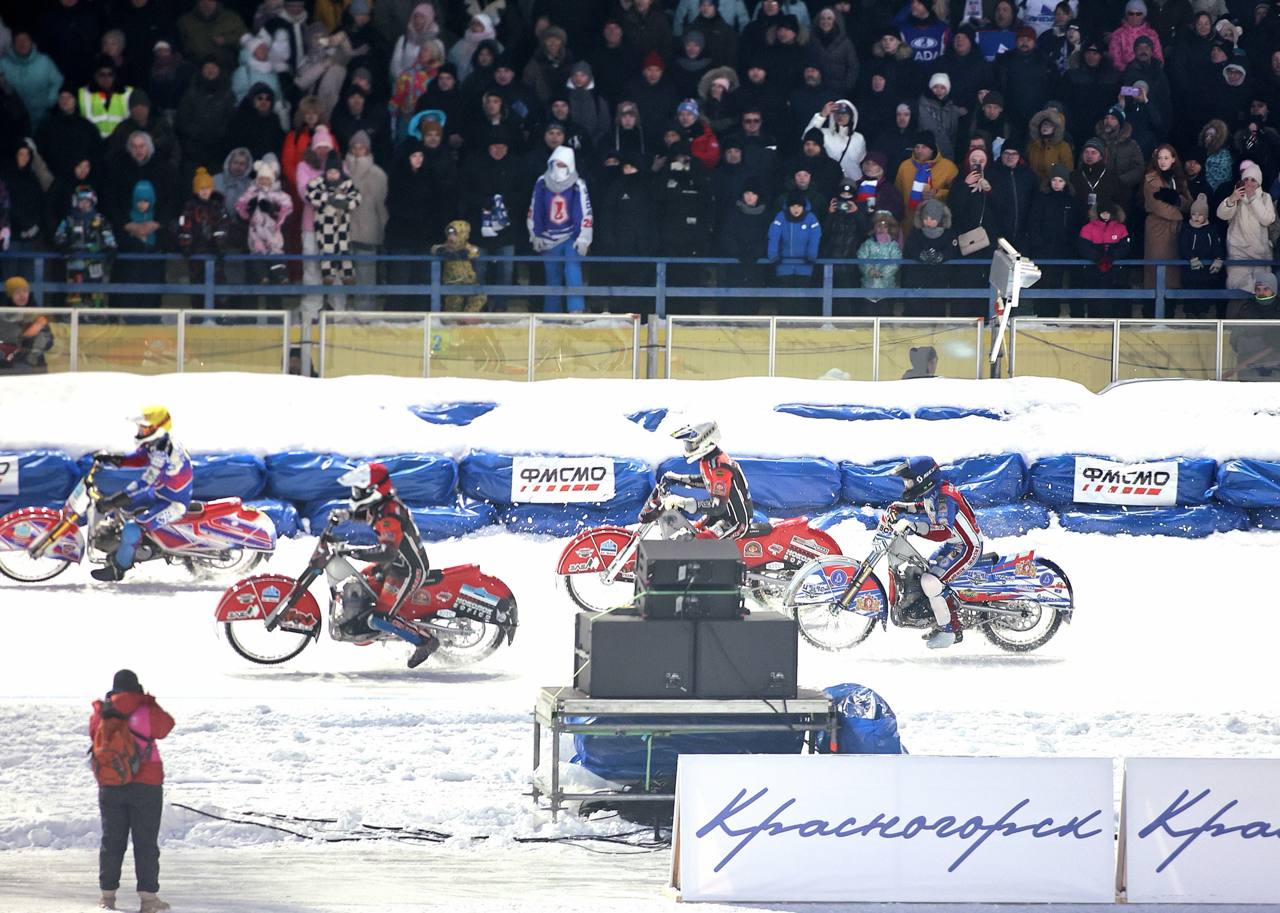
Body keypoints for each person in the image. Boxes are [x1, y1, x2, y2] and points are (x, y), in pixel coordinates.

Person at [333, 462, 439, 668]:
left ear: (372, 490)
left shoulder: (390, 514)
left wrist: (353, 551)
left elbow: (386, 551)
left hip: (407, 570)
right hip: (393, 565)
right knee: (358, 583)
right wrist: (347, 516)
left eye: (359, 490)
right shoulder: (382, 506)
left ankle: (426, 641)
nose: (355, 493)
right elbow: (371, 517)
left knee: (379, 618)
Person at [90, 669, 174, 913]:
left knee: (111, 841)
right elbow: (166, 727)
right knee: (145, 842)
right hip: (146, 785)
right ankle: (148, 899)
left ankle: (107, 898)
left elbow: (93, 736)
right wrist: (148, 701)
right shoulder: (145, 710)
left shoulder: (101, 713)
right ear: (136, 687)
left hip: (110, 784)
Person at [885, 456, 982, 649]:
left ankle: (950, 630)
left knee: (931, 582)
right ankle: (938, 617)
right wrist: (903, 507)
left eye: (909, 481)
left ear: (923, 479)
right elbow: (926, 508)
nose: (907, 485)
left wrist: (915, 527)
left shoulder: (945, 496)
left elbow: (944, 531)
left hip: (967, 547)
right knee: (923, 571)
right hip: (954, 545)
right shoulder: (935, 492)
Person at [89, 407, 192, 582]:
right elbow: (142, 457)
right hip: (161, 493)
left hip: (173, 503)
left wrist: (115, 499)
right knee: (124, 509)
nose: (141, 431)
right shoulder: (158, 443)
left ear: (158, 429)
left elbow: (146, 483)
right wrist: (116, 459)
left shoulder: (163, 453)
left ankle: (119, 568)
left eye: (145, 428)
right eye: (140, 428)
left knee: (132, 528)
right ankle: (123, 545)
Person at [527, 145, 593, 313]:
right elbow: (535, 209)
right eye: (557, 164)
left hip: (571, 236)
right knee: (552, 277)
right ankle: (551, 314)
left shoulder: (578, 184)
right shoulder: (542, 182)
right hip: (549, 238)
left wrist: (584, 238)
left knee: (572, 270)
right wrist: (535, 234)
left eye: (563, 165)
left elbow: (585, 211)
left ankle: (576, 310)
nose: (560, 168)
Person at [660, 422, 753, 540]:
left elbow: (718, 505)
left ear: (705, 441)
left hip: (735, 522)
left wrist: (682, 502)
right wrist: (676, 479)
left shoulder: (720, 467)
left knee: (697, 545)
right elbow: (708, 482)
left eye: (690, 444)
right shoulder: (709, 460)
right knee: (687, 534)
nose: (688, 448)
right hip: (720, 515)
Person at [0, 277, 53, 374]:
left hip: (34, 368)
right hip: (6, 369)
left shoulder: (38, 316)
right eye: (17, 292)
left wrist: (38, 327)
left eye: (25, 291)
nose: (22, 295)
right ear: (9, 295)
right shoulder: (2, 315)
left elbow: (48, 343)